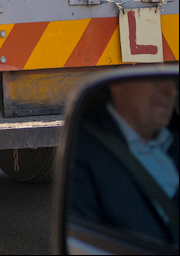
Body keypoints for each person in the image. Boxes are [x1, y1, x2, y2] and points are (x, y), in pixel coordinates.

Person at [70, 77, 179, 246]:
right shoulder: (83, 149)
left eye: (173, 82)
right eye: (155, 80)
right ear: (118, 85)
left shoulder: (174, 141)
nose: (170, 90)